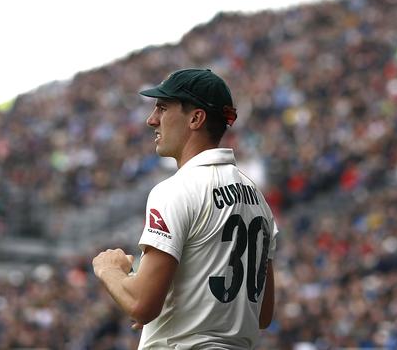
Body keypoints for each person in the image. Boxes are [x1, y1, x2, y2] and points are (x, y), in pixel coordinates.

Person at [92, 68, 279, 349]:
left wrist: (108, 269)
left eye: (163, 108)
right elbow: (262, 313)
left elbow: (141, 304)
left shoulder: (175, 190)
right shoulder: (257, 199)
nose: (151, 120)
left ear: (196, 118)